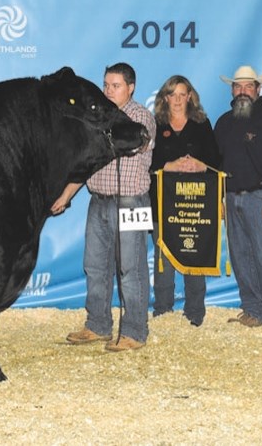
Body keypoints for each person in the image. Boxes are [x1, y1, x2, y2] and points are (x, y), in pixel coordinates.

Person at [54, 63, 155, 351]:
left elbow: (135, 143)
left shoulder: (141, 117)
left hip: (132, 202)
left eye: (116, 86)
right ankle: (98, 325)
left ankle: (135, 331)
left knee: (131, 268)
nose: (109, 91)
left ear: (131, 88)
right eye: (106, 85)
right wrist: (66, 195)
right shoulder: (95, 118)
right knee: (95, 266)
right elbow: (86, 163)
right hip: (98, 201)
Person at [214, 65, 262, 333]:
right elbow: (216, 162)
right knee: (241, 256)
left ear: (258, 90)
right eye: (238, 87)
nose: (243, 91)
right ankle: (253, 309)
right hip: (231, 196)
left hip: (260, 199)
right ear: (232, 90)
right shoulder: (224, 122)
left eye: (248, 86)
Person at [149, 75, 220, 327]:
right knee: (163, 263)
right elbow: (144, 165)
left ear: (190, 96)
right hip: (162, 205)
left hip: (196, 207)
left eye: (182, 94)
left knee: (195, 257)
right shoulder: (154, 125)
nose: (177, 100)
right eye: (172, 94)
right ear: (165, 98)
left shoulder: (202, 124)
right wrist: (168, 165)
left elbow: (217, 164)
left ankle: (195, 314)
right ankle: (163, 312)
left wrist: (201, 165)